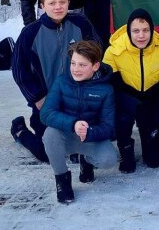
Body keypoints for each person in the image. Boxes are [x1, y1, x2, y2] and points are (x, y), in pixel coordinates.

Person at [11, 0, 99, 163]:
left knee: (84, 146)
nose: (58, 7)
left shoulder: (81, 24)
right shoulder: (30, 33)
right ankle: (20, 130)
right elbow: (20, 71)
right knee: (48, 153)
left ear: (68, 3)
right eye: (52, 3)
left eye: (62, 2)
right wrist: (38, 97)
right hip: (47, 102)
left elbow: (97, 55)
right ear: (42, 6)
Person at [104, 8, 159, 173]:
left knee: (154, 161)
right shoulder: (114, 52)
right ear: (128, 31)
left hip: (152, 103)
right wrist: (136, 107)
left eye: (146, 30)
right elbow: (111, 88)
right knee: (122, 118)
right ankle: (125, 149)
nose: (141, 35)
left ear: (152, 30)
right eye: (136, 31)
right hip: (126, 101)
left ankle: (150, 134)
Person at [41, 41, 118, 204]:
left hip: (90, 137)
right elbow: (46, 113)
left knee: (109, 159)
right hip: (66, 135)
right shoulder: (62, 81)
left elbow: (109, 127)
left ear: (95, 66)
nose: (76, 69)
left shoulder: (106, 89)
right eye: (73, 63)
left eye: (82, 65)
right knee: (49, 134)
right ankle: (62, 180)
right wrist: (73, 123)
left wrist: (90, 132)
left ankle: (86, 160)